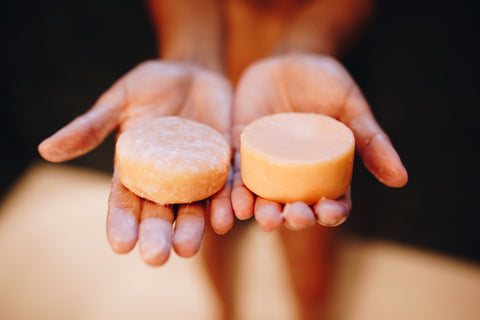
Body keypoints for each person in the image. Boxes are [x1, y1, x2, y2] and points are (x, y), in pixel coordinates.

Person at [38, 0, 407, 319]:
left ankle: (310, 314)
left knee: (309, 257)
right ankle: (225, 312)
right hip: (210, 80)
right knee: (208, 224)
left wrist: (307, 43)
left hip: (301, 98)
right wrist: (190, 55)